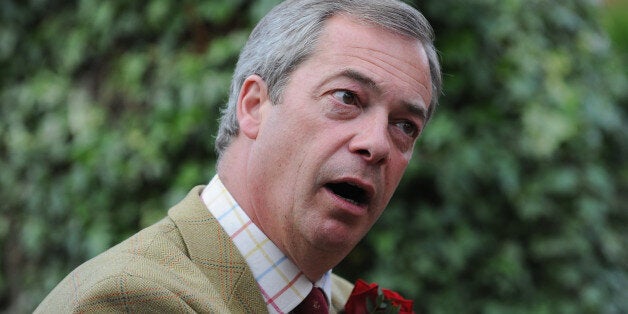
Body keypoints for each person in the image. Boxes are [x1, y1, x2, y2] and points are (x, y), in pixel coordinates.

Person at [36, 0, 441, 312]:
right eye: (346, 98)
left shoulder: (343, 301)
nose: (377, 143)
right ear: (254, 106)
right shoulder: (131, 300)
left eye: (405, 125)